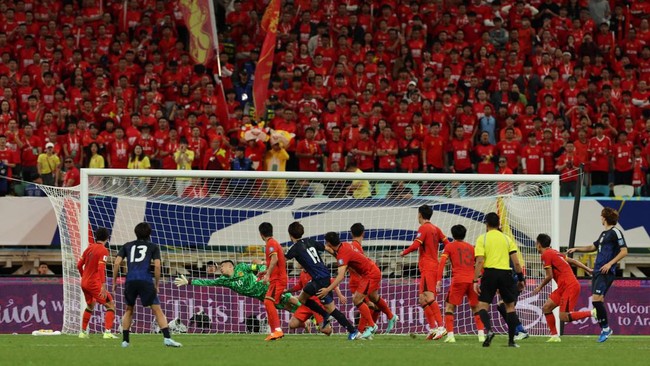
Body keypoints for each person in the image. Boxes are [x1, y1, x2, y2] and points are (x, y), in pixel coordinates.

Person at [285, 222, 361, 340]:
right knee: (302, 298)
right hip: (320, 277)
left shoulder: (293, 249)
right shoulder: (311, 241)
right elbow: (327, 248)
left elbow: (281, 261)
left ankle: (353, 331)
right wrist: (338, 257)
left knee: (331, 309)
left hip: (320, 280)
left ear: (290, 235)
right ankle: (325, 315)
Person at [111, 222, 182, 348]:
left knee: (129, 309)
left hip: (130, 280)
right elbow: (158, 265)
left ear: (135, 232)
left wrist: (114, 281)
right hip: (145, 280)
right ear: (150, 234)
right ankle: (167, 338)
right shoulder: (153, 247)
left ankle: (125, 341)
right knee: (157, 310)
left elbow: (116, 263)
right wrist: (157, 283)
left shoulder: (127, 245)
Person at [568, 207, 628, 342]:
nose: (600, 218)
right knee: (597, 301)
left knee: (596, 300)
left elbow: (624, 251)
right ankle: (605, 329)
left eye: (601, 216)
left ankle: (606, 328)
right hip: (597, 270)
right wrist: (577, 248)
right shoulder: (603, 234)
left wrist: (610, 264)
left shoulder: (616, 232)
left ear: (605, 218)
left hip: (606, 271)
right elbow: (593, 247)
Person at [320, 231, 394, 340]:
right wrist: (325, 248)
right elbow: (337, 253)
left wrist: (328, 289)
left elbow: (340, 277)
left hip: (369, 274)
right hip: (370, 271)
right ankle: (391, 316)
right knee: (373, 298)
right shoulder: (344, 245)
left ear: (329, 243)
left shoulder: (342, 253)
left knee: (357, 300)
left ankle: (372, 326)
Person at [473, 212, 525, 348]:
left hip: (490, 273)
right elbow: (517, 262)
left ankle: (489, 331)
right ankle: (512, 341)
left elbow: (479, 261)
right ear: (499, 224)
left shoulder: (482, 239)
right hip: (506, 274)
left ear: (486, 224)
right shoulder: (507, 239)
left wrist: (475, 280)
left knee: (482, 306)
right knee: (510, 307)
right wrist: (521, 279)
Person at [532, 233, 595, 342]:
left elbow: (549, 276)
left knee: (564, 316)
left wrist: (539, 287)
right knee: (547, 307)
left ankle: (592, 313)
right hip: (563, 287)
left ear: (539, 245)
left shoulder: (546, 254)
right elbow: (573, 261)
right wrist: (588, 269)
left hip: (569, 286)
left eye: (536, 243)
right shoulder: (554, 252)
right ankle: (554, 336)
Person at [400, 204, 449, 340]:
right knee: (422, 300)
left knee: (429, 297)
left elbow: (416, 245)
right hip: (430, 267)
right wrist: (443, 256)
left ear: (420, 215)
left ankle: (441, 326)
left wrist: (404, 252)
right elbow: (448, 244)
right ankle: (433, 329)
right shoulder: (436, 229)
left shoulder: (424, 228)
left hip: (429, 267)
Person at [173, 260, 299, 312]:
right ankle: (304, 316)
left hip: (266, 287)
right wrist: (189, 281)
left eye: (222, 266)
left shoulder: (242, 267)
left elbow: (258, 266)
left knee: (288, 298)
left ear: (230, 266)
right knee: (285, 306)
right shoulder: (224, 280)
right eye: (220, 267)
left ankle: (309, 310)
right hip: (261, 296)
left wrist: (264, 273)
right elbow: (207, 282)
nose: (220, 269)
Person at [436, 224, 485, 343]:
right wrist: (481, 276)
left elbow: (442, 262)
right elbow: (480, 263)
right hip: (472, 280)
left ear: (452, 234)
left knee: (449, 307)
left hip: (458, 280)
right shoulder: (471, 247)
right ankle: (481, 335)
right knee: (476, 307)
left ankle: (451, 336)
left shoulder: (449, 246)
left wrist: (438, 280)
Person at [347, 223, 398, 334]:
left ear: (351, 233)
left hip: (359, 280)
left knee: (368, 303)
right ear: (363, 233)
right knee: (372, 299)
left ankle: (363, 330)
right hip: (361, 279)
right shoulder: (356, 246)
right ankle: (389, 316)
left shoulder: (354, 246)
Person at [76, 228, 117, 339]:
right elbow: (100, 268)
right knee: (111, 305)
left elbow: (79, 265)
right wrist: (103, 285)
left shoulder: (89, 248)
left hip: (84, 282)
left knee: (90, 305)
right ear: (107, 238)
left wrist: (83, 276)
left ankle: (83, 333)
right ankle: (107, 332)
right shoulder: (103, 250)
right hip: (94, 283)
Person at [257, 222, 287, 341]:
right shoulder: (273, 243)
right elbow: (274, 263)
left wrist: (268, 274)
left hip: (278, 279)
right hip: (277, 278)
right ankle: (275, 331)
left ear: (261, 234)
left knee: (268, 302)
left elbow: (275, 259)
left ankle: (277, 331)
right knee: (269, 302)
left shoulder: (271, 243)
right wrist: (265, 272)